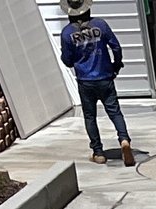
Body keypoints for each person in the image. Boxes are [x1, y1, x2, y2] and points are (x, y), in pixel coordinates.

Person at [57, 0, 135, 167]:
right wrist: (116, 65)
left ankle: (98, 152)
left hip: (85, 81)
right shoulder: (100, 25)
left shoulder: (67, 33)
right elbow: (116, 47)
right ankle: (124, 139)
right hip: (105, 77)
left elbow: (67, 60)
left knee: (90, 116)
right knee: (114, 112)